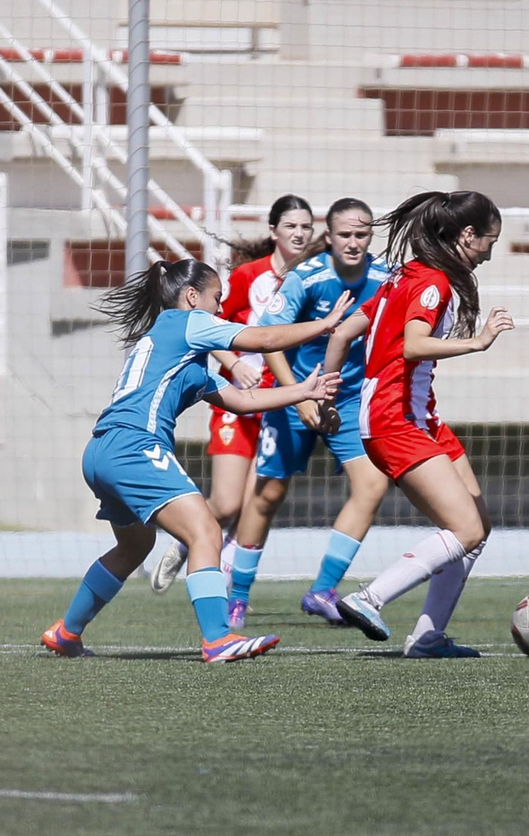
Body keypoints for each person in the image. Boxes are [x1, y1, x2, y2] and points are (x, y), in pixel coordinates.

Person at [40, 257, 350, 663]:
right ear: (191, 297)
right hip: (136, 447)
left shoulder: (177, 349)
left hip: (102, 451)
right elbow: (263, 339)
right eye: (216, 299)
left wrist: (304, 391)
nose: (220, 309)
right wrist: (322, 326)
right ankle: (218, 637)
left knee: (135, 547)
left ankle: (66, 631)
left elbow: (243, 400)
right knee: (205, 531)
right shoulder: (185, 323)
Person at [320, 190, 514, 657]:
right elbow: (413, 345)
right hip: (395, 418)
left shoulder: (402, 275)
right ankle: (369, 598)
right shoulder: (431, 283)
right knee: (464, 530)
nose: (490, 252)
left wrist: (327, 392)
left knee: (476, 528)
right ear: (467, 235)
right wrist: (477, 342)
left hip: (418, 416)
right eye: (489, 240)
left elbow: (344, 331)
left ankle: (428, 639)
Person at [224, 198, 391, 627]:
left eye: (362, 234)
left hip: (349, 401)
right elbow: (269, 339)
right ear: (330, 238)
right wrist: (298, 396)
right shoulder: (307, 277)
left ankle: (323, 590)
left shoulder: (385, 280)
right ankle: (237, 597)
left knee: (372, 485)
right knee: (267, 496)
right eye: (346, 235)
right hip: (293, 395)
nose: (354, 243)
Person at [148, 194, 316, 595]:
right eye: (291, 225)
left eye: (306, 227)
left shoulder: (311, 278)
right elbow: (203, 324)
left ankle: (230, 586)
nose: (299, 233)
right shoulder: (247, 278)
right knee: (225, 504)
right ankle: (184, 540)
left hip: (281, 404)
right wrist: (234, 363)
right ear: (274, 231)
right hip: (237, 402)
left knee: (262, 502)